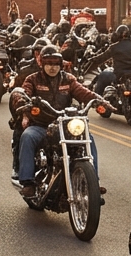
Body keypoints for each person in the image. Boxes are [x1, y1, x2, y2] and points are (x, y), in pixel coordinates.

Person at [11, 45, 106, 196]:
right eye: (49, 63)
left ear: (60, 64)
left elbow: (84, 93)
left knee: (88, 138)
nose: (52, 67)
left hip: (65, 124)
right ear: (42, 63)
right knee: (27, 136)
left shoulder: (68, 79)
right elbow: (23, 93)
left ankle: (93, 180)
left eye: (56, 63)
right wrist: (22, 101)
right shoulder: (33, 79)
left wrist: (101, 101)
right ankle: (27, 181)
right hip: (41, 125)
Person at [88, 24, 131, 95]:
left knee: (102, 76)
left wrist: (91, 59)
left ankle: (97, 100)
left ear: (118, 35)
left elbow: (102, 58)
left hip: (118, 75)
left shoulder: (114, 47)